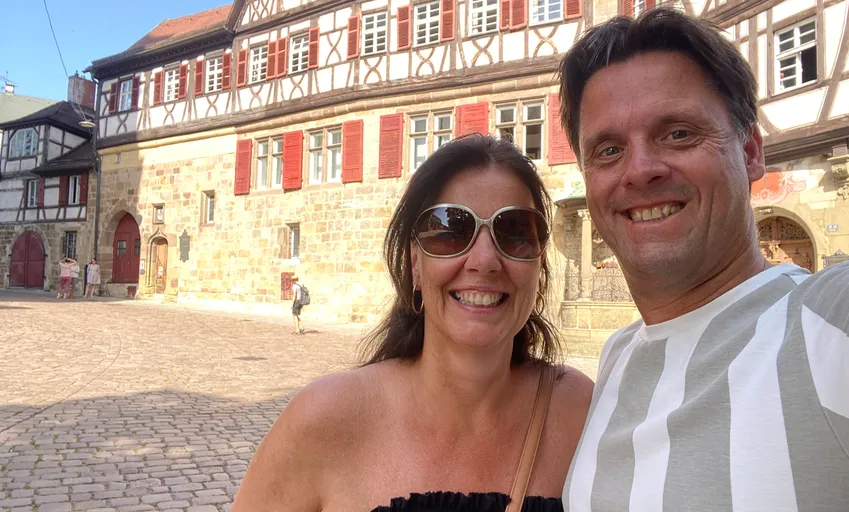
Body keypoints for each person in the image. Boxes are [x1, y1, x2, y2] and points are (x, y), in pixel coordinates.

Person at [557, 8, 849, 511]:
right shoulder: (616, 359)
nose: (639, 170)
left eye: (677, 133)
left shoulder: (834, 324)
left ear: (749, 152)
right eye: (608, 150)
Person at [233, 135, 594, 511]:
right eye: (450, 231)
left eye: (516, 232)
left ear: (539, 266)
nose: (484, 260)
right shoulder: (324, 421)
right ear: (414, 265)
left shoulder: (577, 413)